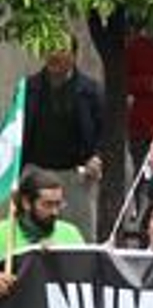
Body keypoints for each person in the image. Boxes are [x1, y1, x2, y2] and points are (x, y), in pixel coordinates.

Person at [22, 40, 104, 242]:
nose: (54, 55)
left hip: (75, 175)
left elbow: (105, 132)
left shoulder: (91, 90)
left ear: (74, 55)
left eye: (61, 50)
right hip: (36, 172)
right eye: (50, 49)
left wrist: (97, 157)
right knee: (29, 233)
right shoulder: (28, 87)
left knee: (80, 236)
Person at [0, 168, 86, 256]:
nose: (55, 212)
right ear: (26, 203)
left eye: (58, 204)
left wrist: (58, 254)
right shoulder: (3, 233)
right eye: (47, 204)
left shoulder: (71, 233)